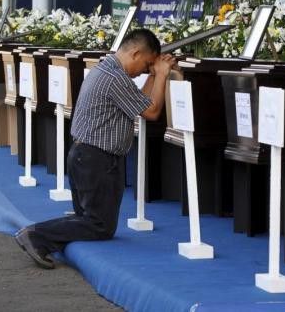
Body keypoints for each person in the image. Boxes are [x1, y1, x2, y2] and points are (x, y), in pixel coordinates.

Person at [14, 29, 175, 269]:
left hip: (86, 157)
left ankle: (43, 237)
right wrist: (162, 75)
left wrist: (152, 74)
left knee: (89, 220)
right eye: (146, 63)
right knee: (99, 225)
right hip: (96, 160)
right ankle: (36, 235)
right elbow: (151, 112)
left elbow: (140, 103)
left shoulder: (108, 69)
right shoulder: (115, 78)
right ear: (135, 53)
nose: (145, 69)